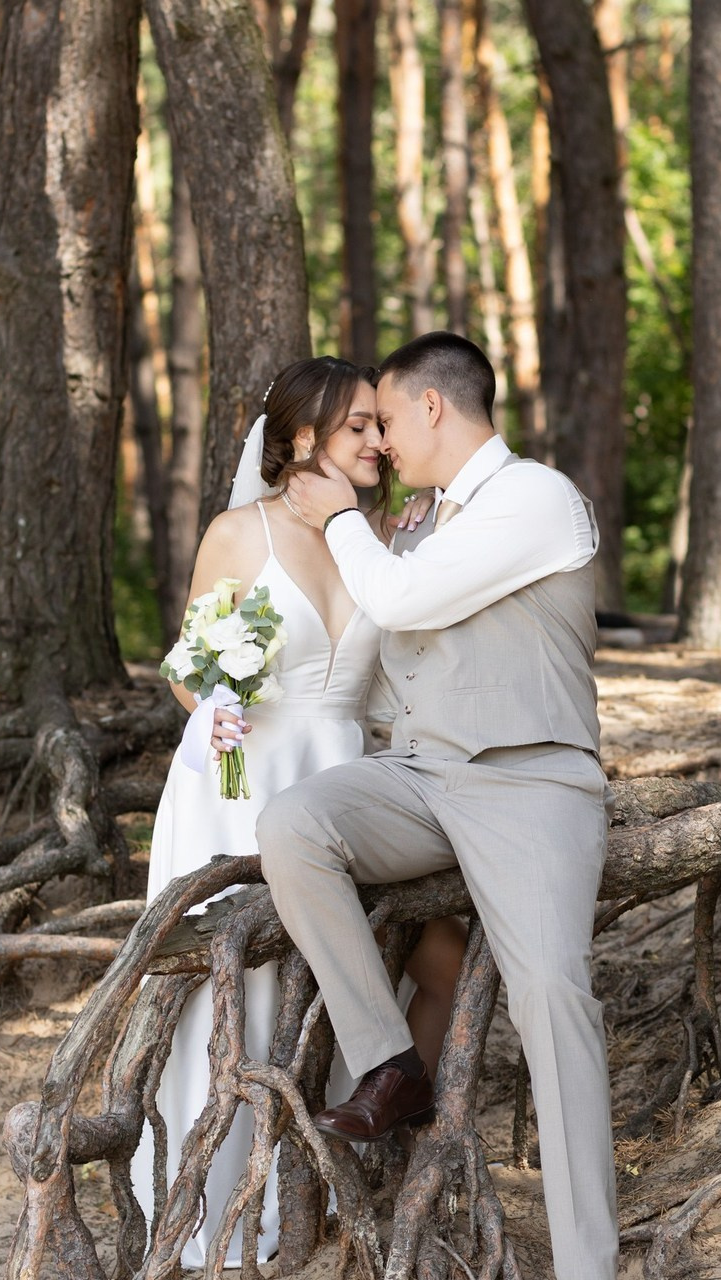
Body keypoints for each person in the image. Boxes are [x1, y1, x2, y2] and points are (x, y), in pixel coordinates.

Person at [258, 332, 618, 1280]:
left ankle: (589, 1264)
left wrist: (339, 519)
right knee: (293, 825)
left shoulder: (535, 497)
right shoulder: (420, 518)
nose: (379, 443)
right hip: (420, 777)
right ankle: (391, 1064)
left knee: (552, 994)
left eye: (386, 416)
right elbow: (391, 671)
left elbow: (406, 603)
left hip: (529, 781)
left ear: (432, 407)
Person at [132, 354, 466, 1270]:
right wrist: (212, 701)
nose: (380, 437)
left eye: (382, 423)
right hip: (239, 781)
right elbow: (187, 662)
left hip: (345, 775)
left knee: (386, 965)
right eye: (360, 423)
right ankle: (216, 1210)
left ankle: (346, 1161)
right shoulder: (240, 533)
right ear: (306, 437)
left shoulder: (385, 539)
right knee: (238, 993)